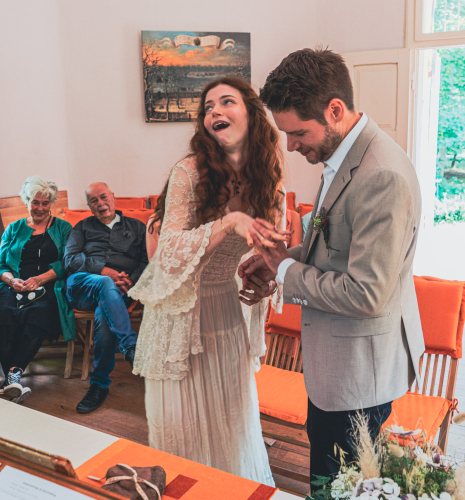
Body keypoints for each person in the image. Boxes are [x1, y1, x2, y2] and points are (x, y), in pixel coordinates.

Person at [239, 48, 426, 490]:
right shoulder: (343, 156)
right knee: (328, 477)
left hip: (359, 376)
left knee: (340, 488)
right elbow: (334, 248)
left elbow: (366, 293)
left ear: (335, 110)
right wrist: (281, 261)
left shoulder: (381, 175)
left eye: (298, 132)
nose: (291, 145)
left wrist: (285, 272)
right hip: (337, 366)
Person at [129, 77, 290, 485]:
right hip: (180, 318)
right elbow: (168, 253)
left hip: (225, 314)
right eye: (207, 107)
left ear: (252, 114)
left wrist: (266, 281)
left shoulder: (270, 183)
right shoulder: (189, 173)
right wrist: (230, 221)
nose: (214, 111)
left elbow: (270, 255)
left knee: (232, 426)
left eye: (226, 102)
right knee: (183, 432)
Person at [63, 182, 147, 414]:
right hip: (83, 286)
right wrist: (103, 271)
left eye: (103, 197)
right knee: (105, 283)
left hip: (121, 291)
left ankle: (99, 385)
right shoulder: (81, 227)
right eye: (94, 201)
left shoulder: (137, 227)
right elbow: (69, 260)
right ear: (89, 207)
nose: (100, 203)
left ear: (113, 197)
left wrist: (131, 281)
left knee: (105, 313)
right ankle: (130, 345)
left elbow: (147, 261)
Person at [0, 176, 73, 403]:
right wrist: (12, 281)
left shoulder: (63, 228)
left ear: (51, 203)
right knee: (4, 313)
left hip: (48, 286)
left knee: (38, 314)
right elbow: (1, 264)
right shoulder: (14, 228)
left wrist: (41, 279)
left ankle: (11, 377)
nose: (40, 208)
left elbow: (70, 262)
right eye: (35, 202)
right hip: (14, 285)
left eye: (45, 203)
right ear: (27, 201)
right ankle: (12, 381)